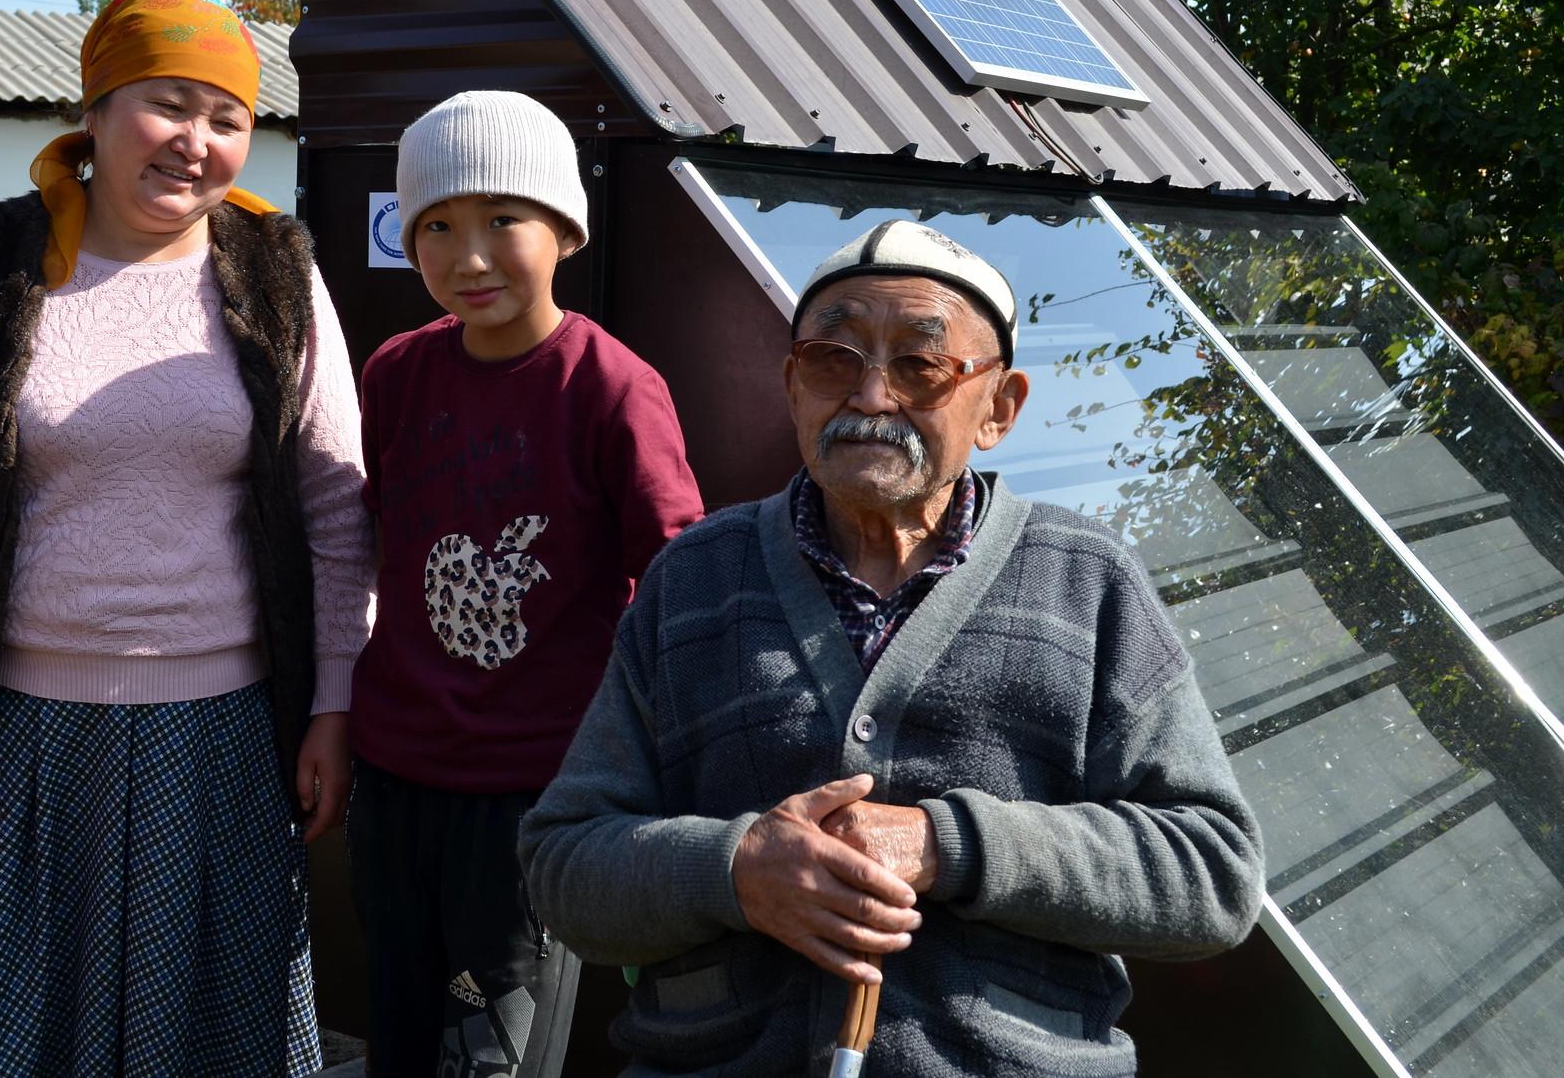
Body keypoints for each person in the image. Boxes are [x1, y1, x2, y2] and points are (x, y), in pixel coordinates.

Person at [519, 219, 1264, 1076]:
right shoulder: (693, 579)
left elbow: (1212, 875)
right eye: (834, 360)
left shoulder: (1086, 580)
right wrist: (734, 871)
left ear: (999, 408)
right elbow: (563, 865)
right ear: (793, 384)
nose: (870, 397)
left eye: (920, 366)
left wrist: (947, 845)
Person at [0, 0, 374, 1077]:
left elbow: (335, 506)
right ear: (92, 110)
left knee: (206, 1041)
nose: (196, 143)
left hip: (228, 735)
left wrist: (333, 701)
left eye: (226, 118)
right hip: (15, 732)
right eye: (166, 105)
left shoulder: (277, 273)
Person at [346, 90, 704, 1076]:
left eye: (502, 218)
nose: (467, 256)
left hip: (533, 787)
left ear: (562, 229)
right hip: (393, 771)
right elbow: (366, 539)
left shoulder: (611, 386)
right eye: (435, 227)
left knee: (500, 1045)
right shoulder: (393, 374)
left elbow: (678, 577)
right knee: (397, 1029)